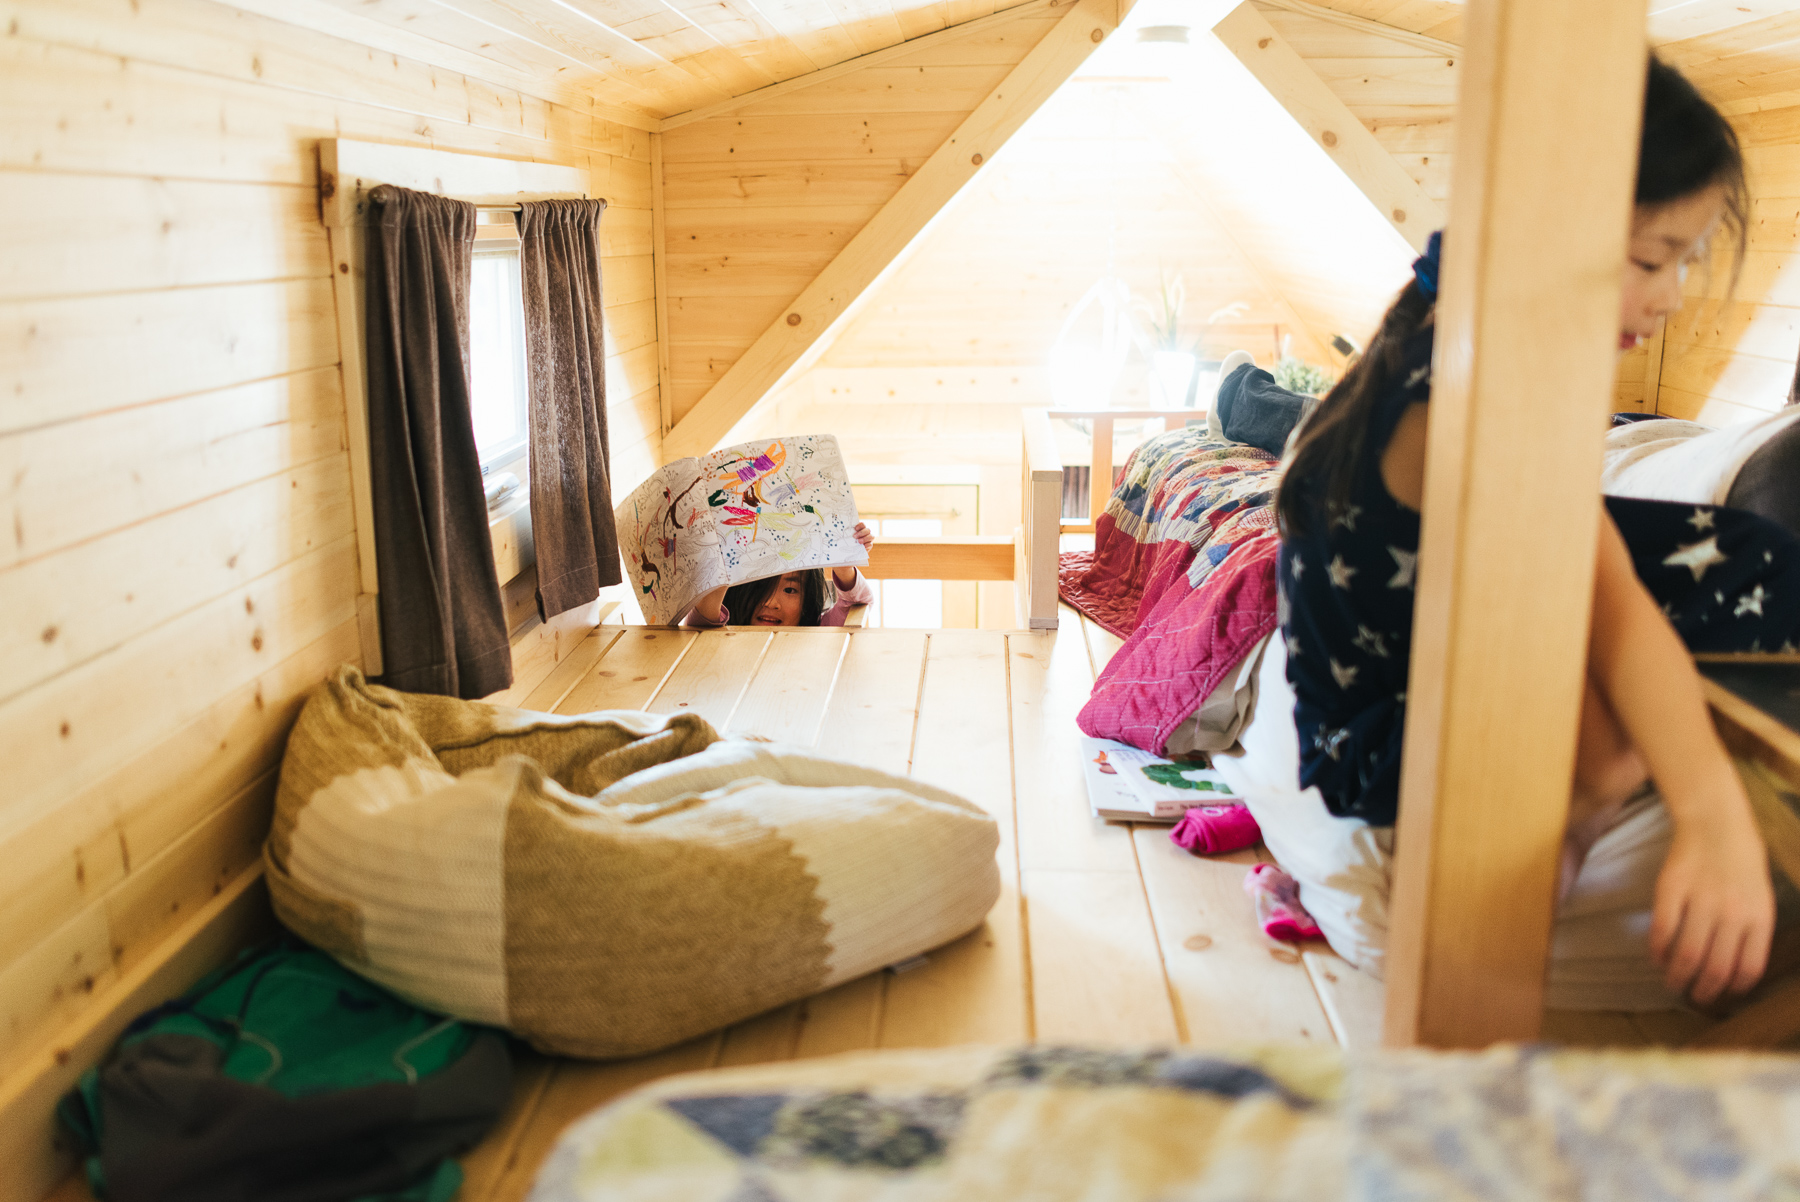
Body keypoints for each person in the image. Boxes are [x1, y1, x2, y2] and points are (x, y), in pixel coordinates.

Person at [1274, 56, 1781, 1007]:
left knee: (1735, 552)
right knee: (1695, 620)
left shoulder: (1445, 316)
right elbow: (1618, 615)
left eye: (1682, 260)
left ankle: (1589, 802)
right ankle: (1576, 822)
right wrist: (1715, 819)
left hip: (1374, 695)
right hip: (1390, 741)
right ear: (1551, 227)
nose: (1669, 297)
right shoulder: (1489, 382)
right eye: (1648, 259)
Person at [683, 521, 876, 627]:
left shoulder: (819, 631)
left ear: (807, 599)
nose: (771, 603)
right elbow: (701, 621)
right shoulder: (718, 630)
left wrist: (843, 565)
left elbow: (856, 602)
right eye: (759, 586)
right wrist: (724, 563)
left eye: (790, 590)